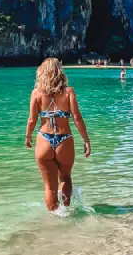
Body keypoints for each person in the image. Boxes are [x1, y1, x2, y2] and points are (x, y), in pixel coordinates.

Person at [25, 58, 91, 211]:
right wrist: (86, 140)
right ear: (59, 72)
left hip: (44, 140)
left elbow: (32, 120)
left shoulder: (36, 93)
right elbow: (77, 118)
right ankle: (66, 213)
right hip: (64, 139)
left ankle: (54, 219)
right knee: (66, 177)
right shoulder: (69, 92)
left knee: (49, 185)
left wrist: (28, 136)